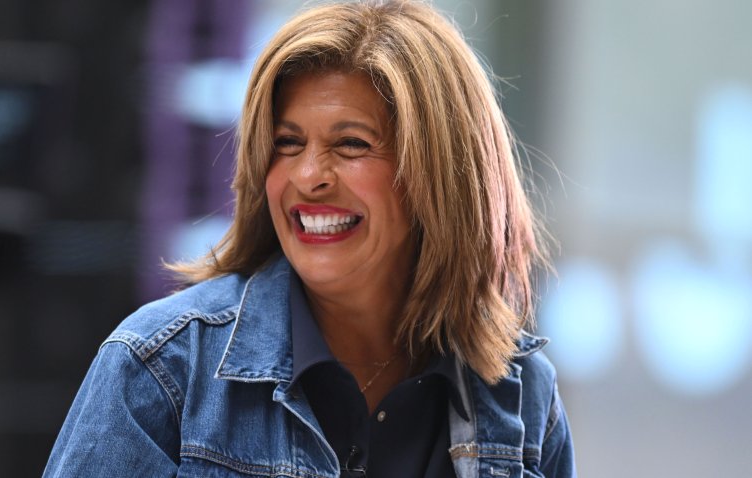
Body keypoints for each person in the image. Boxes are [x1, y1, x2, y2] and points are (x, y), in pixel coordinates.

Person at [44, 1, 576, 476]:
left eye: (350, 144)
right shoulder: (162, 371)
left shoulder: (525, 395)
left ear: (438, 176)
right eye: (287, 143)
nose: (308, 176)